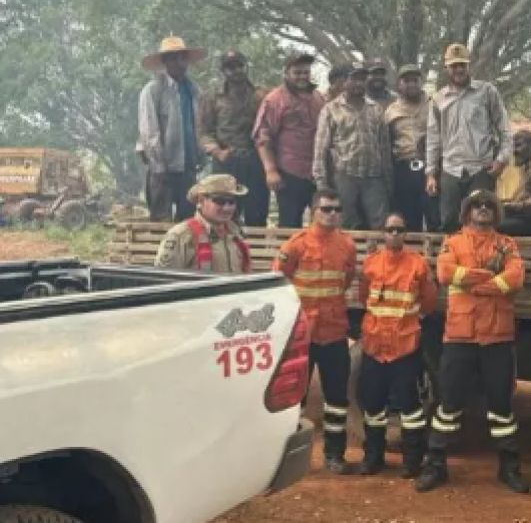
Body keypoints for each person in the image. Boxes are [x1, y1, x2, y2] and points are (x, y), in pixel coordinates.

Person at [415, 191, 528, 495]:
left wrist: (473, 282)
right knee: (448, 405)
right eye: (477, 206)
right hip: (459, 337)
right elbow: (445, 273)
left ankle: (509, 468)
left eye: (489, 205)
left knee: (501, 407)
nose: (483, 209)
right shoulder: (453, 242)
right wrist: (489, 277)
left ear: (496, 212)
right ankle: (435, 465)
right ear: (466, 213)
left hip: (497, 337)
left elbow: (514, 279)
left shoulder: (507, 244)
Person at [271, 189, 359, 474]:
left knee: (337, 401)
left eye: (336, 209)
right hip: (302, 337)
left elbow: (344, 281)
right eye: (326, 209)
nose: (332, 214)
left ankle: (334, 456)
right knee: (295, 401)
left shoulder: (346, 245)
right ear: (312, 210)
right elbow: (279, 285)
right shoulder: (295, 245)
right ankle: (289, 460)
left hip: (334, 335)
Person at [358, 212, 438, 478]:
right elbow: (363, 298)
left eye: (399, 230)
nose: (394, 234)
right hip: (374, 347)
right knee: (373, 408)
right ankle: (373, 458)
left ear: (406, 234)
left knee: (411, 409)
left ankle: (412, 461)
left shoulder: (418, 265)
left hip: (405, 348)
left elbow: (428, 303)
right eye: (390, 229)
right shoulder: (370, 264)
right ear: (383, 233)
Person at [426, 43, 512, 232]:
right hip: (451, 169)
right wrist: (431, 173)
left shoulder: (486, 92)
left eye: (462, 65)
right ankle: (451, 261)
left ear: (468, 65)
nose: (458, 70)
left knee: (483, 220)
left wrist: (501, 160)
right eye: (454, 65)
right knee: (449, 221)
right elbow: (433, 138)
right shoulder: (438, 99)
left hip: (480, 168)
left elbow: (504, 129)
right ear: (447, 68)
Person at [313, 62, 393, 230]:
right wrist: (321, 184)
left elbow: (384, 149)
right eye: (354, 79)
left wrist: (388, 181)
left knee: (380, 225)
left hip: (374, 177)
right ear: (344, 81)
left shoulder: (376, 109)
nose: (359, 83)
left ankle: (377, 257)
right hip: (345, 176)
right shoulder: (331, 109)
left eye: (362, 79)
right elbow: (321, 150)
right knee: (346, 224)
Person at [137, 36, 206, 222]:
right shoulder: (153, 90)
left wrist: (201, 156)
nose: (179, 62)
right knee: (161, 220)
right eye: (173, 58)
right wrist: (158, 165)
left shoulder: (194, 91)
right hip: (163, 167)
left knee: (187, 221)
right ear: (165, 62)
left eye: (182, 57)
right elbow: (149, 130)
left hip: (188, 166)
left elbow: (200, 125)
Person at [254, 53, 326, 228]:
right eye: (297, 72)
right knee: (289, 223)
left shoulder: (318, 97)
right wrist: (270, 171)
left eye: (306, 72)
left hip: (317, 173)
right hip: (289, 173)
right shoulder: (275, 99)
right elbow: (263, 137)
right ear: (286, 73)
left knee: (322, 223)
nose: (302, 76)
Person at [199, 50, 270, 226]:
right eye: (230, 67)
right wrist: (217, 151)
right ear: (223, 70)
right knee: (223, 212)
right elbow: (204, 131)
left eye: (239, 65)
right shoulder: (212, 97)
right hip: (226, 160)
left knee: (257, 212)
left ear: (245, 67)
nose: (236, 70)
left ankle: (254, 252)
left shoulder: (261, 95)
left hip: (255, 160)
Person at [153, 174, 251, 273]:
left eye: (231, 202)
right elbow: (163, 280)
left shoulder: (236, 235)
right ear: (201, 201)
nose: (227, 208)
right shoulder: (181, 236)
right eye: (220, 201)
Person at [386, 64, 438, 232]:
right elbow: (386, 142)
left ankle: (436, 256)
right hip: (404, 168)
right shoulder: (391, 111)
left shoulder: (434, 104)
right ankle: (413, 256)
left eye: (415, 80)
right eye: (406, 81)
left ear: (420, 82)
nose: (411, 85)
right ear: (399, 84)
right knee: (408, 218)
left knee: (434, 216)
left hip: (430, 168)